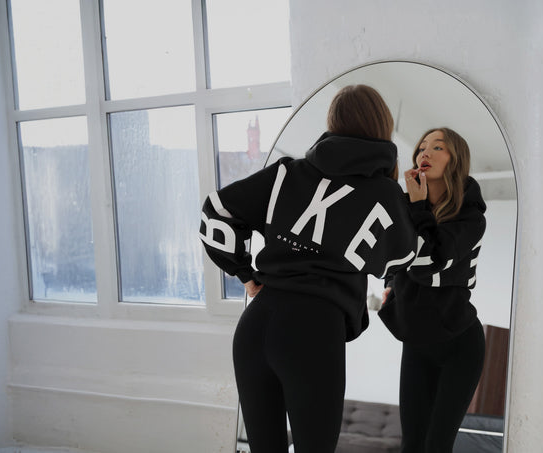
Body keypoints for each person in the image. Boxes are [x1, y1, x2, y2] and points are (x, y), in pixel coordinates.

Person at [199, 84, 417, 453]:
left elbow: (215, 215)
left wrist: (246, 275)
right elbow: (399, 259)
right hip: (313, 333)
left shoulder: (288, 173)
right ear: (382, 125)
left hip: (256, 325)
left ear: (333, 122)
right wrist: (417, 207)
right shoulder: (383, 194)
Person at [378, 127, 487, 453]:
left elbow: (428, 262)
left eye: (438, 147)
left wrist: (418, 206)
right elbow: (391, 255)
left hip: (459, 344)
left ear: (456, 159)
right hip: (416, 340)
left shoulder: (470, 218)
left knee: (436, 446)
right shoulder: (406, 209)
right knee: (411, 445)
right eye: (422, 147)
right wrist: (391, 285)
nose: (424, 152)